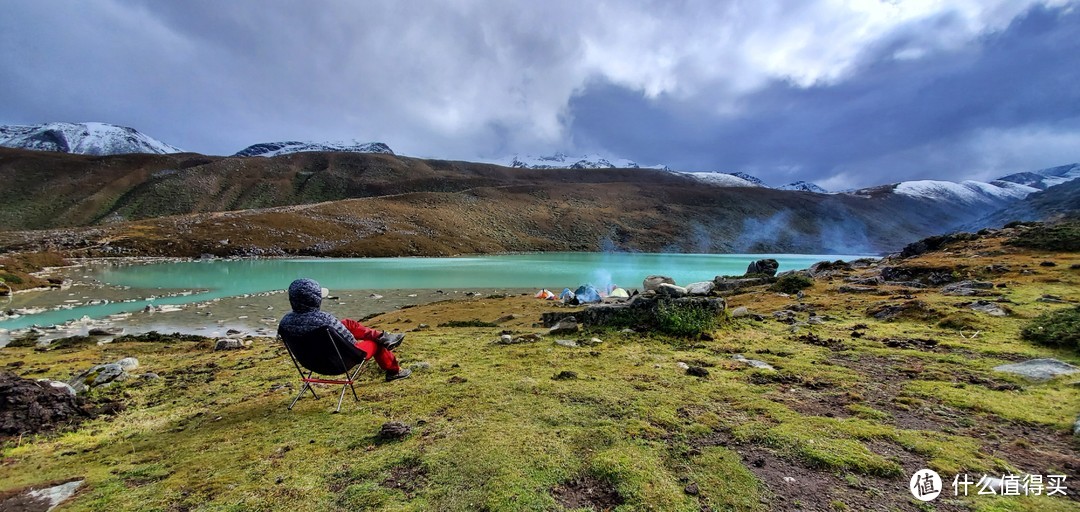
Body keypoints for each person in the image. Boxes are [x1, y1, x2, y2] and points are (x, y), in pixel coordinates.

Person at [278, 278, 411, 381]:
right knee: (376, 343)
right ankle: (394, 370)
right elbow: (350, 343)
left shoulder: (285, 321)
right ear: (315, 299)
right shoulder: (325, 320)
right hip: (338, 363)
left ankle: (383, 336)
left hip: (310, 362)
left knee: (346, 323)